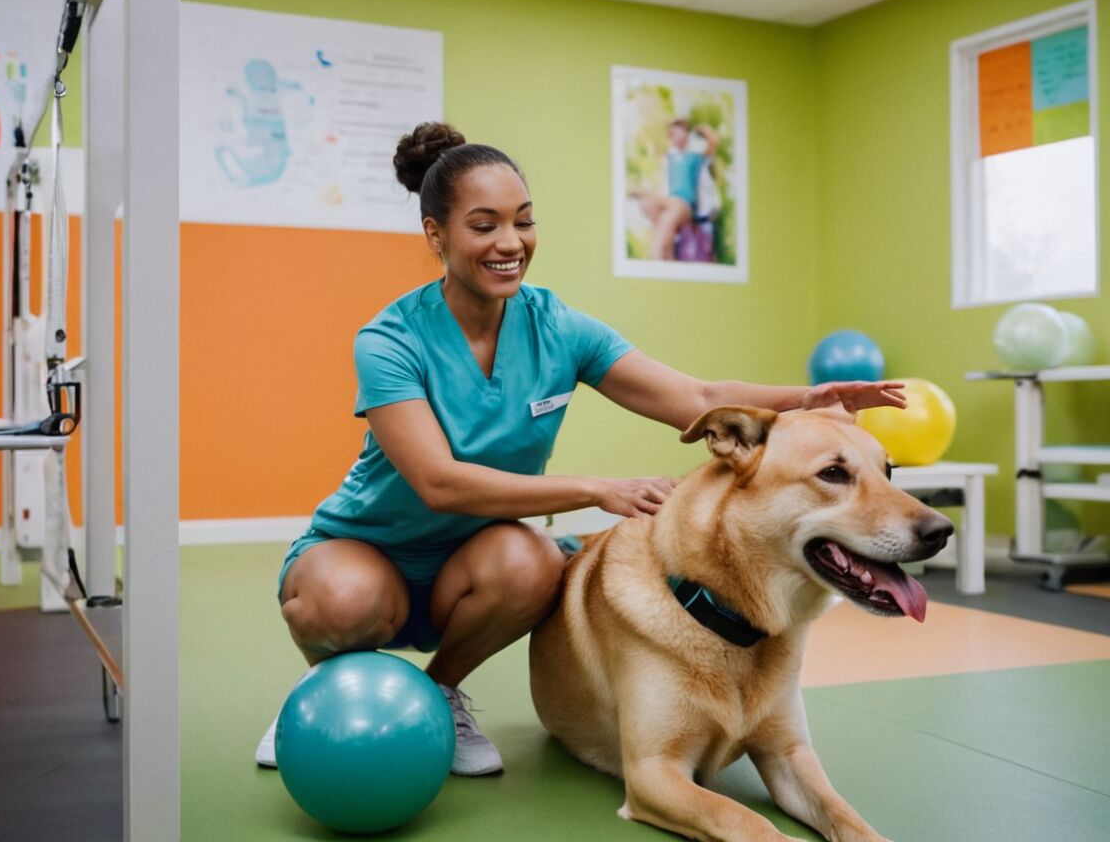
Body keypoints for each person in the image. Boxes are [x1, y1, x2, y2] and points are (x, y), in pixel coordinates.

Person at [255, 120, 905, 776]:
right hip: (369, 547)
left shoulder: (556, 326)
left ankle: (438, 693)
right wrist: (598, 489)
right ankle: (323, 700)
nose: (510, 243)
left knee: (534, 563)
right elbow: (439, 482)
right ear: (436, 235)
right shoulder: (389, 339)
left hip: (472, 560)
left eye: (524, 221)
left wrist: (809, 397)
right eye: (484, 226)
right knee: (339, 599)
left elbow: (695, 395)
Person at [632, 118, 719, 260]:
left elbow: (713, 142)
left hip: (685, 205)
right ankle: (667, 255)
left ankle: (656, 254)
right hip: (670, 202)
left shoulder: (695, 157)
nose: (675, 136)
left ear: (686, 135)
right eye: (672, 134)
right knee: (649, 205)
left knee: (668, 217)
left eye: (679, 132)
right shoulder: (669, 158)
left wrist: (702, 129)